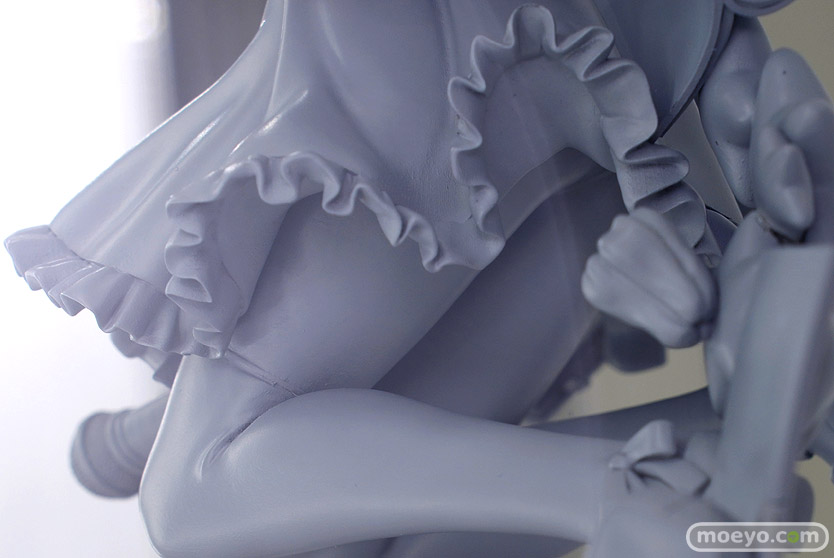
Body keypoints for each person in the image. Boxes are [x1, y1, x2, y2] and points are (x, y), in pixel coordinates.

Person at [7, 1, 832, 556]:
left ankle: (669, 475)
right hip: (516, 91)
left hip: (487, 78)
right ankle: (665, 478)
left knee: (231, 504)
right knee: (216, 499)